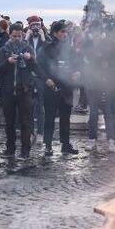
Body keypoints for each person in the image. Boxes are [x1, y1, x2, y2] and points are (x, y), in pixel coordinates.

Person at [0, 22, 40, 157]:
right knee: (9, 122)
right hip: (8, 90)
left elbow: (36, 68)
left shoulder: (28, 48)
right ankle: (10, 149)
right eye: (14, 36)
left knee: (25, 122)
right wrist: (8, 62)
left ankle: (25, 150)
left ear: (22, 35)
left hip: (24, 89)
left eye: (19, 36)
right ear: (10, 35)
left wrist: (30, 59)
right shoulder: (4, 49)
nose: (16, 39)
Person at [39, 21, 80, 155]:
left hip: (67, 87)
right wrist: (46, 79)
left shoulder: (70, 48)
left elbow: (77, 64)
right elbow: (39, 67)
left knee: (65, 117)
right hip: (51, 87)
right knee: (50, 117)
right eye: (62, 32)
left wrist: (77, 72)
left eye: (66, 32)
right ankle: (48, 145)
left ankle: (65, 144)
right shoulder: (47, 48)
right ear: (55, 33)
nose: (65, 34)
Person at [26, 16, 49, 142]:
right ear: (29, 26)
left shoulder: (45, 39)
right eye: (33, 25)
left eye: (37, 25)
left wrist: (44, 38)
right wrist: (26, 38)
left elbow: (50, 53)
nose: (35, 27)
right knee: (28, 106)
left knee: (40, 106)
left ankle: (40, 132)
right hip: (28, 76)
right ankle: (30, 132)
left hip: (41, 77)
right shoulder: (25, 38)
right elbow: (19, 50)